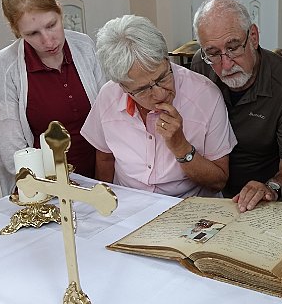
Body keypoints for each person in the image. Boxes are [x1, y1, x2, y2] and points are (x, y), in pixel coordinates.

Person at [81, 15, 236, 198]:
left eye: (163, 77)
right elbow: (105, 158)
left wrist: (181, 148)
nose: (160, 94)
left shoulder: (205, 95)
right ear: (123, 87)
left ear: (166, 58)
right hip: (129, 207)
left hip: (185, 209)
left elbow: (218, 181)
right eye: (143, 89)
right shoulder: (109, 97)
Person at [0, 0, 106, 196]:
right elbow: (13, 152)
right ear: (17, 32)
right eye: (32, 33)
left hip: (100, 176)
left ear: (59, 12)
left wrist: (105, 178)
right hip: (44, 188)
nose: (48, 40)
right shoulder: (3, 67)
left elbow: (106, 117)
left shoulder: (84, 46)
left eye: (52, 25)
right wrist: (51, 191)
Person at [191, 0, 282, 211]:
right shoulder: (200, 66)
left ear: (253, 37)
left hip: (264, 198)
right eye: (213, 53)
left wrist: (270, 187)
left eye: (233, 47)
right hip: (210, 191)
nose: (225, 64)